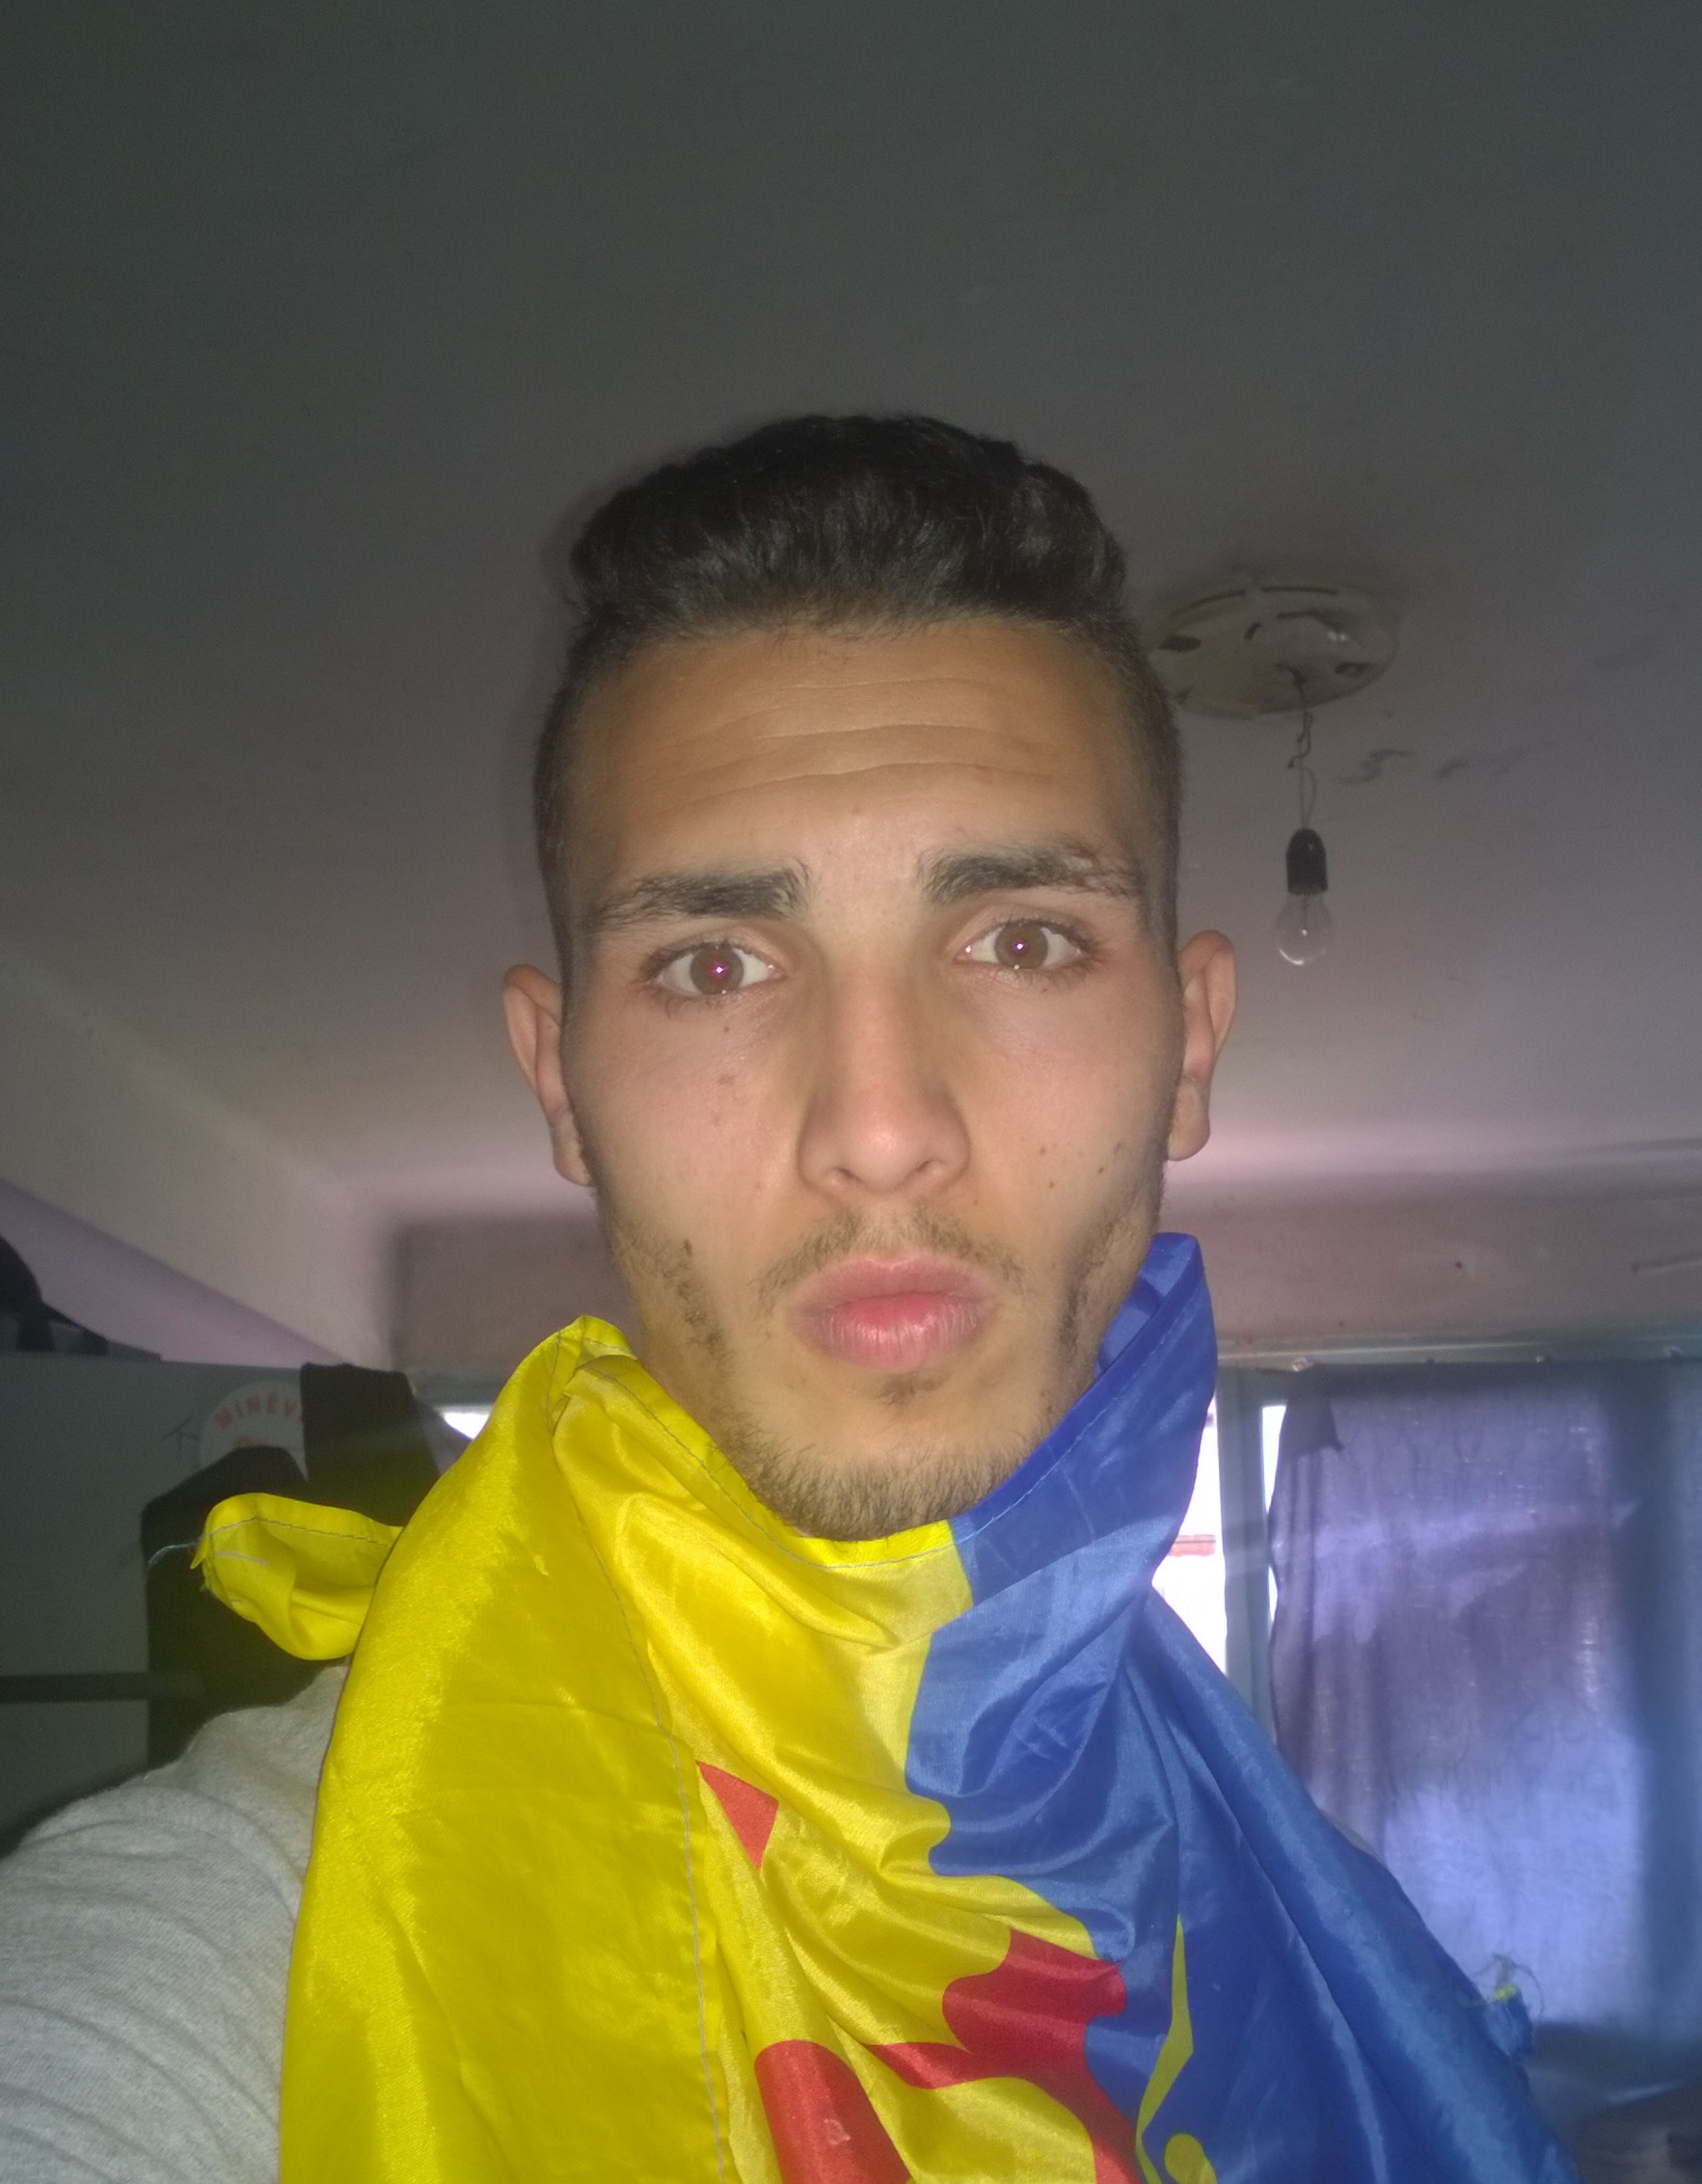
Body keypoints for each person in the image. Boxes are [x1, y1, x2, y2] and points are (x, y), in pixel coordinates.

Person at [0, 417, 1575, 2182]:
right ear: (561, 1081)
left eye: (1021, 939)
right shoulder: (274, 1919)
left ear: (1188, 1044)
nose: (880, 1129)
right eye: (716, 964)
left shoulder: (1274, 1865)